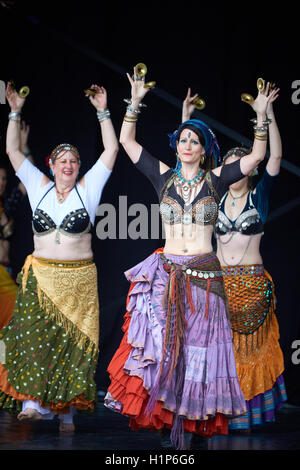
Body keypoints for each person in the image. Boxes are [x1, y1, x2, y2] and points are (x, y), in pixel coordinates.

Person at [104, 70, 277, 449]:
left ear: (203, 149)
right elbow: (126, 140)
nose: (186, 145)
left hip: (203, 276)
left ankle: (194, 423)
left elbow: (259, 155)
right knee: (165, 349)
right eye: (182, 139)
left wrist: (262, 116)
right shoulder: (162, 176)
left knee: (197, 352)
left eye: (193, 140)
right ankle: (167, 418)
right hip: (167, 273)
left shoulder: (216, 180)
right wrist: (134, 101)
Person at [0, 82, 118, 432]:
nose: (67, 165)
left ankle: (66, 411)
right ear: (51, 165)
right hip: (41, 277)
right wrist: (15, 111)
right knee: (34, 339)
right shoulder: (38, 186)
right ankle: (33, 403)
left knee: (70, 346)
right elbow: (12, 149)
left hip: (78, 280)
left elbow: (112, 148)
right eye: (61, 160)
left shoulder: (89, 188)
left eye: (73, 160)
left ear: (79, 167)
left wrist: (103, 111)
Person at [213, 84, 288, 431]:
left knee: (249, 350)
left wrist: (267, 115)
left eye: (241, 166)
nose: (235, 172)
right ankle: (218, 413)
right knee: (220, 352)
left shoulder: (259, 197)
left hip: (252, 285)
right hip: (218, 285)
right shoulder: (212, 200)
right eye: (229, 167)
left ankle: (247, 415)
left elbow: (274, 158)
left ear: (249, 169)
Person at [0, 121, 30, 329]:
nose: (1, 182)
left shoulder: (6, 206)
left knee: (8, 329)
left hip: (7, 271)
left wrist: (24, 148)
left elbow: (27, 182)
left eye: (3, 179)